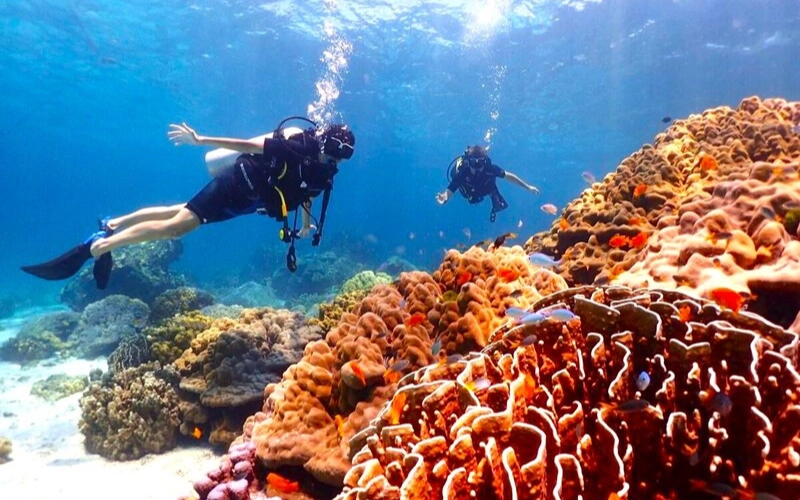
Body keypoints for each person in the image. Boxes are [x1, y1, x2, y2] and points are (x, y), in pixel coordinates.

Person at [22, 118, 356, 288]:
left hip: (242, 204)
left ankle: (112, 223)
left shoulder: (324, 169)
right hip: (235, 186)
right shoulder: (297, 143)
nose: (336, 165)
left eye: (340, 161)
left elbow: (308, 193)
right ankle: (98, 246)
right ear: (327, 145)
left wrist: (308, 226)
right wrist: (201, 140)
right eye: (335, 157)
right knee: (177, 227)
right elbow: (249, 145)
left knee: (181, 209)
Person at [436, 145, 538, 222]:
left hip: (486, 187)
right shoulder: (463, 172)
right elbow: (451, 188)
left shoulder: (490, 168)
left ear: (484, 162)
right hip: (469, 191)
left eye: (479, 163)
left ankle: (493, 194)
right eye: (473, 163)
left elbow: (509, 176)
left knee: (491, 185)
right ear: (468, 162)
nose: (476, 168)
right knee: (468, 194)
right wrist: (445, 197)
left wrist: (527, 187)